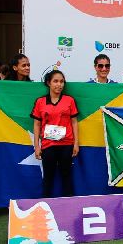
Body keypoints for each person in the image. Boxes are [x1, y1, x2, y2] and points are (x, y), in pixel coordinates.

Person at [31, 70, 79, 198]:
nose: (59, 84)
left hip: (66, 144)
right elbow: (36, 124)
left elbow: (74, 122)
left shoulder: (69, 100)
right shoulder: (40, 101)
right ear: (48, 83)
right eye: (55, 81)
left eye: (62, 81)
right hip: (48, 145)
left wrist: (76, 143)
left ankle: (69, 205)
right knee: (48, 176)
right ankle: (46, 205)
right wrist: (36, 146)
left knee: (66, 175)